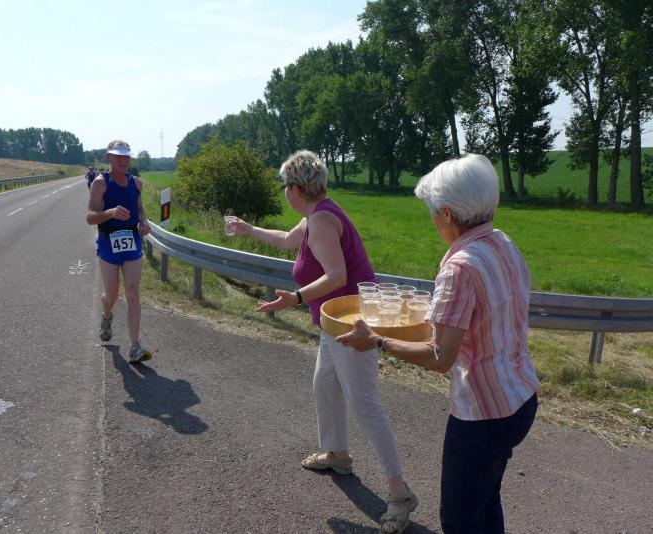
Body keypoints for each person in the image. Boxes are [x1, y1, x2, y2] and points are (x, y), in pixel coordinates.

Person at [337, 154, 540, 534]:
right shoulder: (502, 243)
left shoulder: (459, 267)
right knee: (486, 499)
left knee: (459, 519)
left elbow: (440, 357)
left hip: (483, 413)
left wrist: (377, 341)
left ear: (447, 213)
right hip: (520, 398)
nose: (431, 220)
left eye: (432, 212)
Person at [230, 150, 417, 534]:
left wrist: (295, 298)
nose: (284, 191)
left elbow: (336, 275)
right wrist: (249, 230)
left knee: (365, 404)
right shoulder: (315, 216)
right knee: (325, 385)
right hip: (334, 323)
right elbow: (286, 240)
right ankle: (338, 454)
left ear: (296, 189)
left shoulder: (322, 222)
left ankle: (400, 494)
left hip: (351, 324)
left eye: (285, 185)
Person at [86, 140, 152, 363]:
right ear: (109, 158)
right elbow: (90, 217)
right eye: (118, 156)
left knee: (133, 291)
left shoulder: (137, 183)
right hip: (108, 240)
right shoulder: (100, 183)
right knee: (112, 295)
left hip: (132, 240)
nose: (124, 161)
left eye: (126, 156)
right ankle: (107, 315)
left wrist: (143, 222)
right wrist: (111, 212)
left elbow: (139, 208)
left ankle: (135, 346)